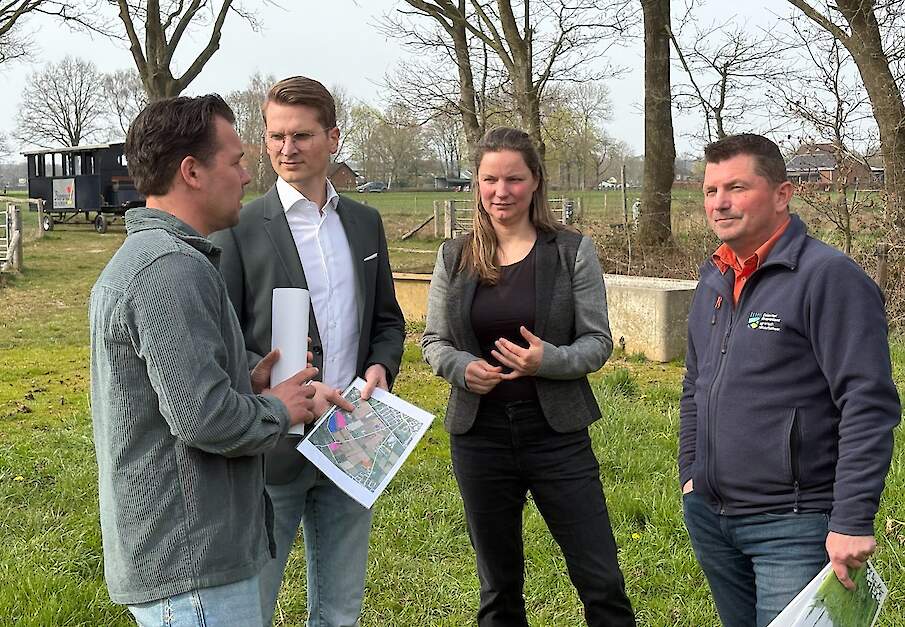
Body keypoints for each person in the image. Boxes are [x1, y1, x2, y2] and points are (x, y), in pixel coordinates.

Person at [90, 95, 347, 626]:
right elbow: (204, 419)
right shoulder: (167, 269)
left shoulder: (164, 259)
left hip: (192, 563)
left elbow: (181, 392)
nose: (248, 175)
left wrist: (246, 384)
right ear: (192, 172)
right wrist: (279, 408)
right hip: (191, 569)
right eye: (235, 162)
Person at [680, 133, 901, 627]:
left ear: (782, 194)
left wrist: (851, 520)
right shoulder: (714, 276)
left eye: (736, 187)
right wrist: (690, 475)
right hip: (712, 516)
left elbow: (868, 403)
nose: (720, 203)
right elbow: (695, 384)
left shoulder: (829, 278)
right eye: (711, 190)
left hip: (793, 524)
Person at [421, 127, 636, 627]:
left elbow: (597, 342)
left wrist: (548, 361)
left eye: (514, 179)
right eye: (490, 179)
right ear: (475, 184)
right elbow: (433, 342)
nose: (502, 191)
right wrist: (461, 368)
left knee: (600, 580)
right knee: (498, 587)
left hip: (555, 434)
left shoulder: (570, 251)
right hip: (480, 438)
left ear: (535, 181)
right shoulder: (453, 257)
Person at [211, 76, 405, 627]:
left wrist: (380, 367)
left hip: (352, 436)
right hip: (273, 444)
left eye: (300, 135)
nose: (285, 150)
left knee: (341, 612)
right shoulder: (240, 228)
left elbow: (388, 320)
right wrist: (275, 387)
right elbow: (222, 341)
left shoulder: (365, 224)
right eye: (274, 137)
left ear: (334, 138)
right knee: (254, 610)